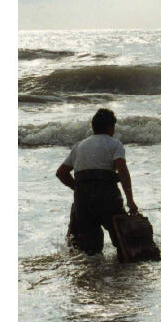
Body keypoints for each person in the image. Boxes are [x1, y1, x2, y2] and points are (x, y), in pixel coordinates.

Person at [55, 108, 138, 255]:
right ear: (110, 127)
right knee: (124, 242)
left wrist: (78, 188)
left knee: (90, 251)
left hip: (83, 201)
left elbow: (61, 173)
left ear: (94, 127)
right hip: (107, 197)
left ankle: (94, 269)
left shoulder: (79, 146)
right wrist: (130, 201)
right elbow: (122, 169)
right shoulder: (114, 143)